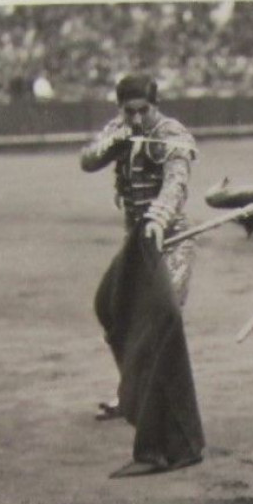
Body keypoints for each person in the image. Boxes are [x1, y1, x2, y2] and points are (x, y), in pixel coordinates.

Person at [80, 73, 206, 478]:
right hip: (138, 245)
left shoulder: (171, 134)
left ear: (155, 105)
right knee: (112, 311)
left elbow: (176, 184)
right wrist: (115, 140)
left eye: (142, 110)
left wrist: (157, 217)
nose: (135, 118)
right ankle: (134, 396)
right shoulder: (120, 129)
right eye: (128, 110)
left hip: (170, 241)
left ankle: (164, 439)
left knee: (157, 328)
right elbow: (88, 160)